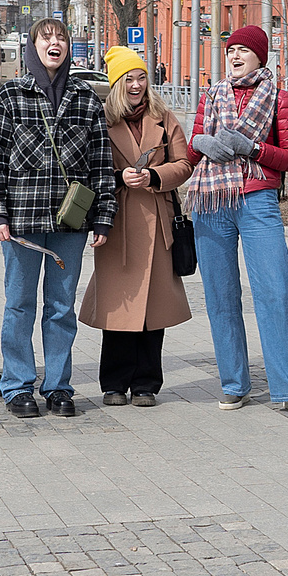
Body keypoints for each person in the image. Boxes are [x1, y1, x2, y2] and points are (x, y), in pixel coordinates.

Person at [184, 25, 288, 416]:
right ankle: (234, 384)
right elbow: (192, 151)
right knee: (220, 296)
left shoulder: (279, 98)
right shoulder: (211, 95)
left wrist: (255, 148)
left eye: (244, 50)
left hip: (258, 200)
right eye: (231, 50)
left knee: (277, 293)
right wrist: (197, 143)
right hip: (211, 203)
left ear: (261, 56)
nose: (235, 56)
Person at [0, 18, 114, 418]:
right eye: (46, 38)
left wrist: (104, 217)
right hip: (20, 223)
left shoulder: (85, 97)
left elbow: (101, 164)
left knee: (60, 307)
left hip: (70, 224)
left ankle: (58, 386)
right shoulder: (10, 96)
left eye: (61, 38)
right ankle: (17, 386)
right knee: (20, 304)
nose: (55, 43)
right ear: (32, 46)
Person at [78, 46, 190, 406]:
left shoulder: (165, 117)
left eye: (141, 77)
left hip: (158, 224)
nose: (137, 84)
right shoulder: (101, 119)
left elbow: (184, 164)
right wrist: (118, 176)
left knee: (153, 308)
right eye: (129, 78)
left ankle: (146, 384)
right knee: (118, 306)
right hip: (117, 223)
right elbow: (88, 167)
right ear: (116, 84)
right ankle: (113, 382)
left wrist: (155, 175)